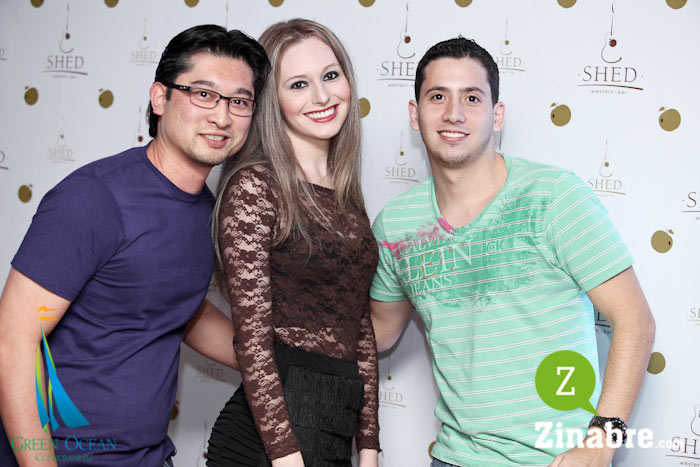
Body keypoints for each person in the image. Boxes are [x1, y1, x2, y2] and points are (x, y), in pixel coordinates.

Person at [370, 37, 655, 467]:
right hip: (452, 459)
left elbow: (635, 321)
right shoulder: (397, 224)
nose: (454, 113)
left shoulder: (553, 196)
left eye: (472, 98)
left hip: (555, 460)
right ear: (415, 113)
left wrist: (602, 444)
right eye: (438, 96)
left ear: (497, 114)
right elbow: (379, 331)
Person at [0, 25, 269, 467]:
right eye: (204, 94)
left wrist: (277, 360)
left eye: (239, 102)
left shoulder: (210, 212)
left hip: (148, 454)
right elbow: (14, 340)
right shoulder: (93, 198)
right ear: (160, 98)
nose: (222, 117)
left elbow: (173, 307)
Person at [205, 19, 379, 467]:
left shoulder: (345, 195)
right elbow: (252, 338)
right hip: (271, 440)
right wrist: (284, 455)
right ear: (271, 100)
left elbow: (358, 325)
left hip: (334, 427)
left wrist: (370, 447)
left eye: (330, 75)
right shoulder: (254, 187)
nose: (322, 96)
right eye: (299, 84)